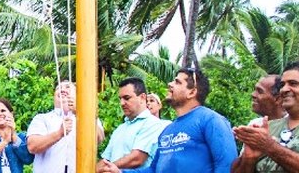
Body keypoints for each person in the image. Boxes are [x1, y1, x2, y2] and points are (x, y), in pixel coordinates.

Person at [99, 68, 237, 173]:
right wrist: (120, 172)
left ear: (192, 92)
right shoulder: (168, 130)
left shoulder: (211, 120)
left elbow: (227, 165)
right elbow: (153, 170)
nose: (170, 84)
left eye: (177, 82)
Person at [27, 80, 105, 173]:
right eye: (58, 88)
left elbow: (99, 139)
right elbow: (32, 146)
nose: (62, 89)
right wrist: (59, 133)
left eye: (67, 87)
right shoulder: (42, 118)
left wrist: (80, 113)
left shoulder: (89, 116)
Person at [96, 77, 168, 172]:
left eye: (127, 98)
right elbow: (106, 159)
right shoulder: (120, 129)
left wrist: (106, 168)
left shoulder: (153, 124)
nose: (122, 103)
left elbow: (137, 158)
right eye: (120, 99)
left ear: (142, 97)